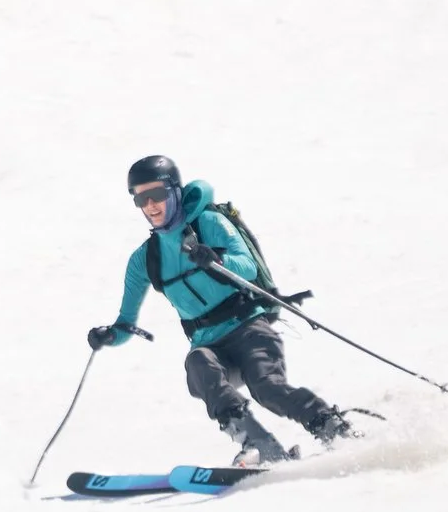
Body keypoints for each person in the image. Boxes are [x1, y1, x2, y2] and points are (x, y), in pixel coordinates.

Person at [89, 155, 357, 466]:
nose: (150, 205)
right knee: (198, 362)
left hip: (249, 329)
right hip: (208, 344)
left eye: (157, 194)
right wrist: (109, 336)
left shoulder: (209, 223)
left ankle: (333, 428)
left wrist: (216, 260)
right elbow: (126, 323)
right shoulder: (144, 259)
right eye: (140, 199)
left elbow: (248, 267)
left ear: (175, 191)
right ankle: (259, 446)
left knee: (267, 387)